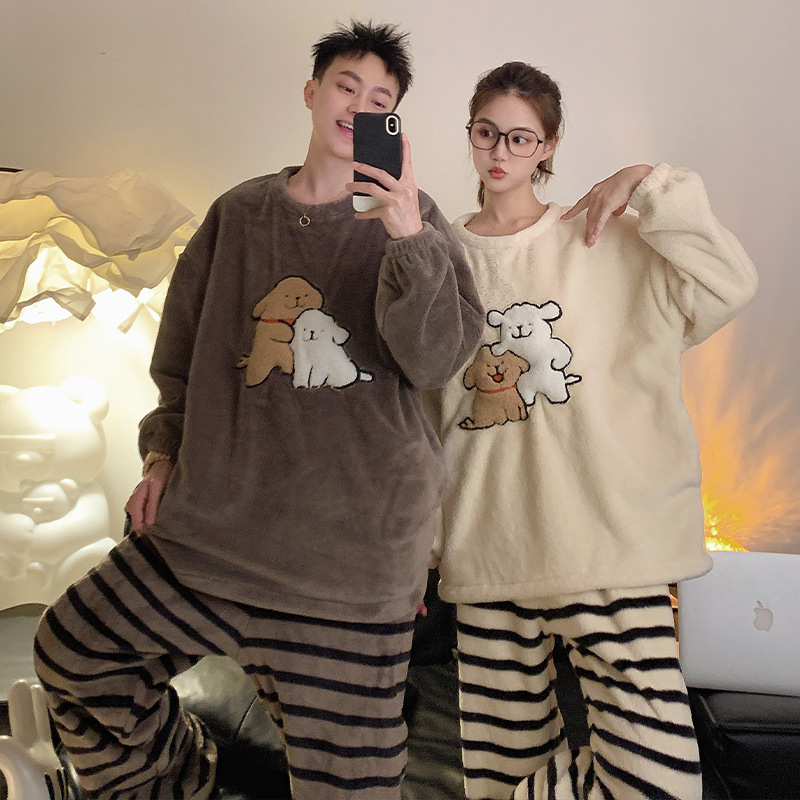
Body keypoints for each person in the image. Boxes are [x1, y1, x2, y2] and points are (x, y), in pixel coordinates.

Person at [32, 21, 484, 800]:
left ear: (393, 122)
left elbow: (437, 361)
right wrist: (161, 456)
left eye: (381, 101)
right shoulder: (238, 214)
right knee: (76, 652)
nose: (359, 107)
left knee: (352, 784)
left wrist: (409, 233)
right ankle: (187, 782)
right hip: (211, 535)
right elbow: (180, 358)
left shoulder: (417, 223)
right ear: (312, 92)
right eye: (346, 86)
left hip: (348, 561)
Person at [433, 61, 758, 800]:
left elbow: (729, 282)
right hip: (489, 549)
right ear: (470, 134)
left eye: (521, 137)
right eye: (487, 132)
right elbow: (423, 411)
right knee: (497, 778)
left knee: (658, 781)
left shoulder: (606, 238)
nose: (501, 152)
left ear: (549, 146)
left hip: (608, 543)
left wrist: (645, 183)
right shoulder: (439, 258)